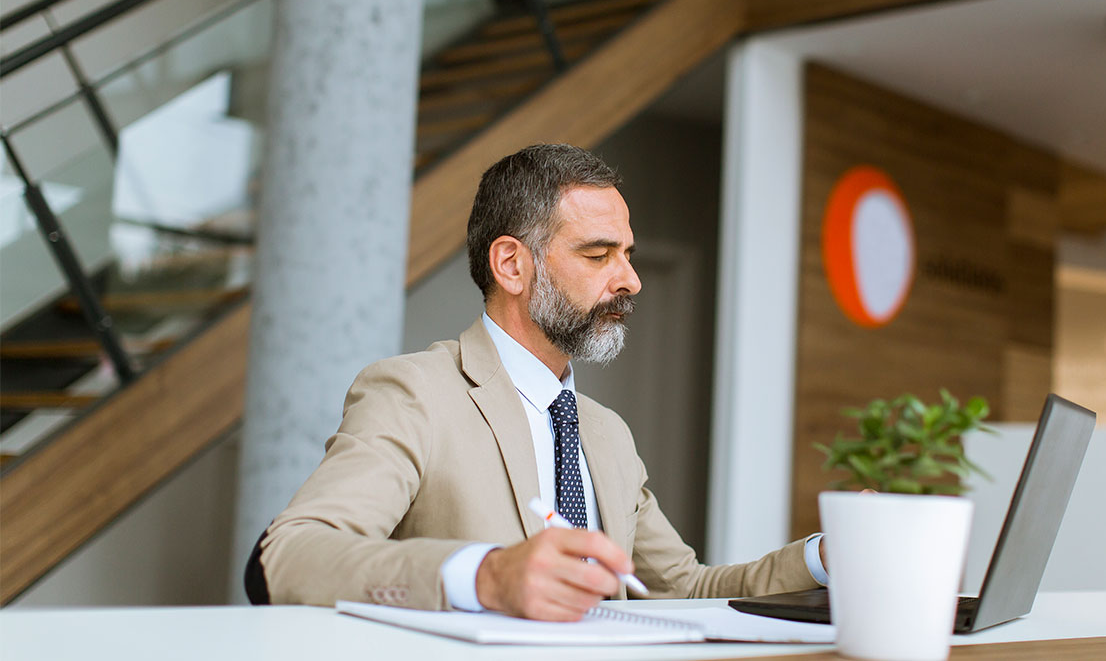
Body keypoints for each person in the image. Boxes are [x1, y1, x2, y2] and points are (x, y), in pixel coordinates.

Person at [250, 144, 827, 620]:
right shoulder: (414, 394)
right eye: (599, 255)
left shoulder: (607, 435)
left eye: (627, 254)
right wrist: (486, 575)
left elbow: (687, 588)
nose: (631, 280)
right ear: (511, 265)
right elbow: (289, 556)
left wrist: (826, 558)